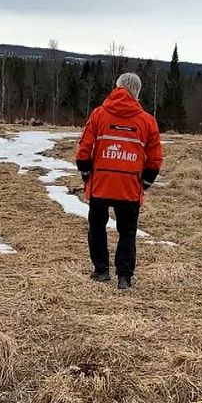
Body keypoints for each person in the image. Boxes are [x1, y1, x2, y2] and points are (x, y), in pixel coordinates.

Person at [75, 72, 163, 290]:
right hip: (130, 188)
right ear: (137, 92)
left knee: (97, 227)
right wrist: (145, 182)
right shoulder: (147, 121)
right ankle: (124, 277)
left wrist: (86, 174)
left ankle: (101, 271)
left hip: (101, 184)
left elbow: (84, 149)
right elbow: (155, 159)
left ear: (118, 87)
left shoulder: (99, 115)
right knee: (128, 231)